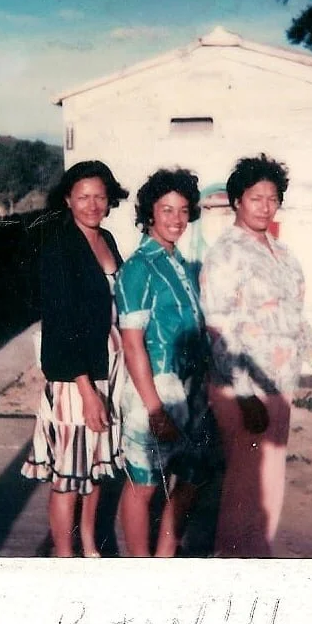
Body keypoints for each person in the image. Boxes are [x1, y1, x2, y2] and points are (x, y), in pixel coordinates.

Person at [200, 153, 312, 558]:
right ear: (236, 202)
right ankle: (232, 567)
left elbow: (294, 316)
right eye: (255, 198)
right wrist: (244, 394)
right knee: (244, 489)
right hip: (242, 389)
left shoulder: (282, 253)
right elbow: (218, 329)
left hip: (279, 384)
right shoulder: (225, 253)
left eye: (272, 198)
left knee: (268, 482)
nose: (265, 206)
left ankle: (258, 558)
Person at [21, 161, 129, 557]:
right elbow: (62, 322)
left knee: (97, 464)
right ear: (67, 199)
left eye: (100, 196)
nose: (92, 204)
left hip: (109, 368)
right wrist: (86, 390)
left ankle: (88, 544)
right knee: (69, 472)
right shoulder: (59, 247)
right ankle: (65, 556)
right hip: (75, 376)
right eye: (83, 196)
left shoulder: (108, 240)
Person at [114, 168, 209, 557]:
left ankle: (164, 558)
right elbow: (133, 345)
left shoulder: (181, 264)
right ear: (149, 213)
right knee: (144, 485)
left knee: (192, 475)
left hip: (190, 390)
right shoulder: (139, 268)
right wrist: (155, 409)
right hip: (152, 389)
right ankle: (141, 571)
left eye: (183, 210)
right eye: (166, 209)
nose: (176, 219)